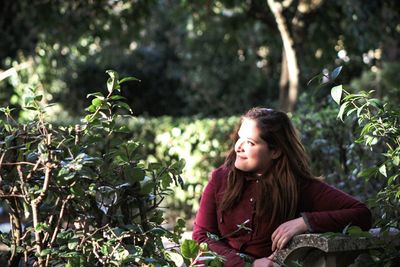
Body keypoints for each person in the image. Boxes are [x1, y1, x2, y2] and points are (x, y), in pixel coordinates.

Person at [192, 107, 372, 267]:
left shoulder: (298, 185)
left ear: (275, 151)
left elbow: (361, 214)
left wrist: (305, 222)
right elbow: (201, 236)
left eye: (250, 142)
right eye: (240, 138)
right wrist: (248, 264)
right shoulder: (220, 179)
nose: (238, 147)